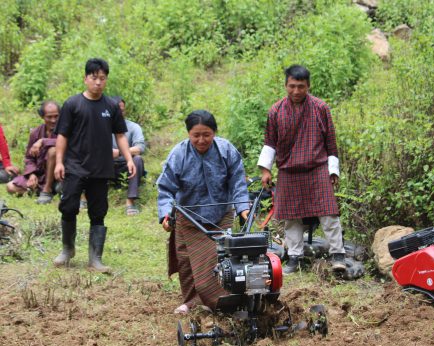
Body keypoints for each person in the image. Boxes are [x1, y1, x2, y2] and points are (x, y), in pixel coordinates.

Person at [157, 110, 249, 314]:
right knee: (186, 261)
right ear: (188, 134)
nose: (201, 140)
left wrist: (243, 208)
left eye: (206, 134)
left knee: (217, 259)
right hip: (188, 218)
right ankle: (191, 301)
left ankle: (221, 301)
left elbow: (237, 183)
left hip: (220, 216)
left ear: (214, 133)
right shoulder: (179, 154)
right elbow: (166, 189)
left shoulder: (226, 150)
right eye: (195, 135)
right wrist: (166, 215)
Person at [258, 64, 346, 275]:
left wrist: (332, 170)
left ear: (308, 86)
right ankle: (294, 257)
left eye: (301, 87)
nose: (296, 91)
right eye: (292, 86)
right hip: (288, 170)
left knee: (328, 214)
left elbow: (331, 144)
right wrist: (265, 170)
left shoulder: (320, 108)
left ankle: (338, 256)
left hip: (317, 169)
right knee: (291, 218)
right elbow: (270, 142)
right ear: (285, 85)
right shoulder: (276, 111)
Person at [53, 58, 136, 273]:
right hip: (75, 166)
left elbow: (120, 135)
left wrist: (128, 159)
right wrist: (59, 162)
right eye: (94, 78)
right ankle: (67, 249)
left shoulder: (111, 106)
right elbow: (62, 135)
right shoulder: (72, 104)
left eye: (102, 78)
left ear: (106, 80)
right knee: (69, 206)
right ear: (85, 78)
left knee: (98, 212)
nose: (98, 82)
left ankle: (95, 259)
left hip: (101, 167)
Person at [6, 101, 59, 204]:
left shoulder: (65, 130)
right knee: (10, 187)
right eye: (49, 117)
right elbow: (29, 158)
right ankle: (43, 190)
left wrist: (43, 141)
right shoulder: (35, 132)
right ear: (42, 117)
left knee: (53, 151)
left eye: (56, 116)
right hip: (40, 175)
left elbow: (66, 143)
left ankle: (47, 190)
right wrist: (32, 174)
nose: (53, 120)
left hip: (57, 175)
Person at [111, 96, 146, 216]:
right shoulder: (100, 127)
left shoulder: (133, 127)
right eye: (116, 110)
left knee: (138, 159)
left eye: (122, 110)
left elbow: (140, 148)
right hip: (106, 166)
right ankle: (84, 197)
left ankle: (130, 201)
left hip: (128, 165)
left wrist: (120, 152)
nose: (120, 113)